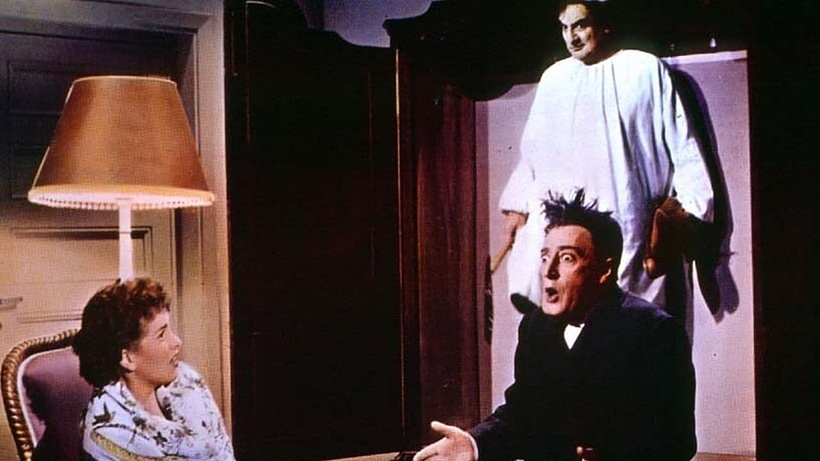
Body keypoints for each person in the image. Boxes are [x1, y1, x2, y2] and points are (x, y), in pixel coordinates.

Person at [415, 189, 696, 461]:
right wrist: (473, 444)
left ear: (604, 270)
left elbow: (677, 442)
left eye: (567, 258)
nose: (549, 272)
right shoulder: (535, 328)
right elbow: (521, 415)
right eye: (545, 257)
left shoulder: (654, 332)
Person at [500, 0, 713, 313]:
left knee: (629, 313)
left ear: (604, 25)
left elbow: (682, 141)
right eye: (564, 27)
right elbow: (533, 152)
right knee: (570, 307)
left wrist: (692, 213)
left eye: (580, 25)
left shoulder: (643, 69)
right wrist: (517, 207)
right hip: (568, 219)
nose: (572, 37)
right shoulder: (555, 79)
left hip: (628, 212)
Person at [72, 277, 235, 461]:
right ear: (127, 358)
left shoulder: (187, 382)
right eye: (161, 335)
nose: (177, 342)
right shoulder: (108, 434)